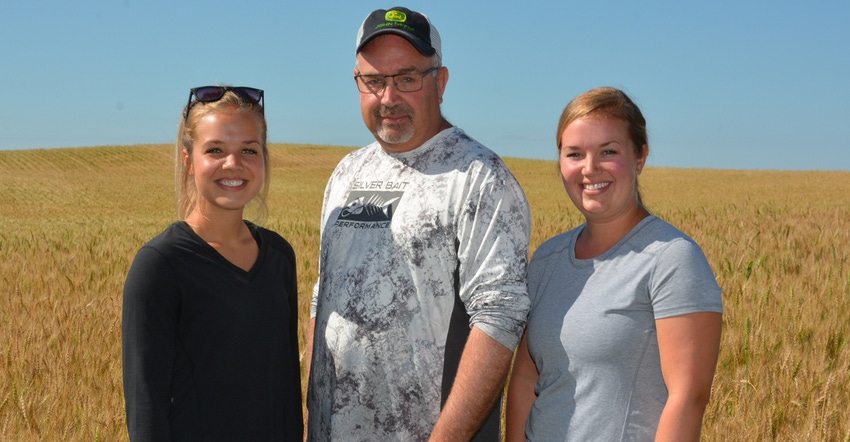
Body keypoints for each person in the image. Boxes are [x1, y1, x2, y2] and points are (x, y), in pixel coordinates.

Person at [305, 6, 531, 441]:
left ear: (440, 82)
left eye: (407, 79)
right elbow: (323, 295)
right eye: (374, 81)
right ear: (357, 82)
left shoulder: (479, 177)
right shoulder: (346, 173)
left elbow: (499, 317)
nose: (388, 98)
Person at [505, 87, 723, 441]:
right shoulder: (547, 259)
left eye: (608, 151)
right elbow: (527, 377)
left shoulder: (671, 258)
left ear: (640, 158)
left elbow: (688, 398)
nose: (589, 169)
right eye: (574, 154)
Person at [122, 86, 303, 441]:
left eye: (248, 150)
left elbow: (285, 388)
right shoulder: (160, 266)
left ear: (263, 158)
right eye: (215, 150)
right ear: (189, 160)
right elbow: (146, 410)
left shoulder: (280, 256)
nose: (233, 164)